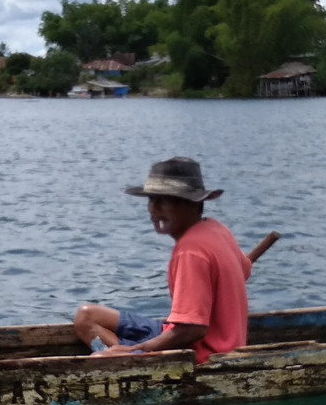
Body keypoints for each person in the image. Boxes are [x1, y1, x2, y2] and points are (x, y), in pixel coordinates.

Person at [73, 156, 251, 364]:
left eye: (165, 200)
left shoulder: (190, 250)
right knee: (86, 316)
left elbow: (193, 330)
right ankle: (120, 353)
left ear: (194, 205)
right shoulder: (217, 229)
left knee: (100, 359)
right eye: (152, 200)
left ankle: (124, 360)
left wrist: (140, 351)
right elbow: (244, 270)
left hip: (203, 354)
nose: (154, 209)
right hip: (188, 334)